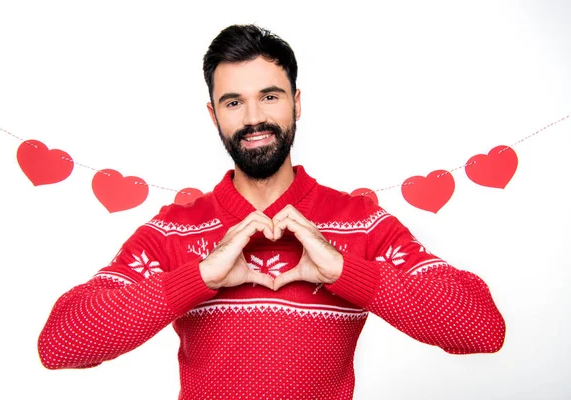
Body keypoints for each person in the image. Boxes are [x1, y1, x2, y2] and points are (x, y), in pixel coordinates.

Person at [38, 24, 506, 399]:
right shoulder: (175, 230)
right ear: (213, 115)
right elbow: (61, 343)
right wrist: (199, 277)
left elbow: (482, 328)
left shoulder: (362, 222)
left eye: (270, 96)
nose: (253, 118)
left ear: (297, 103)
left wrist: (345, 270)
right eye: (233, 102)